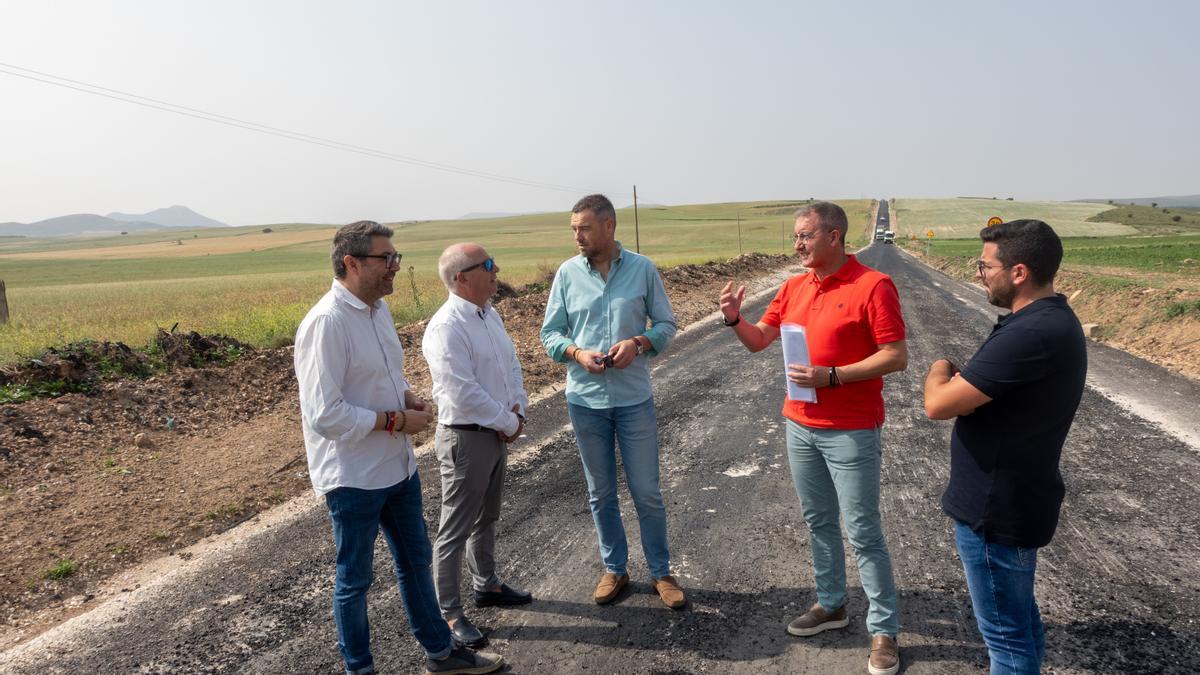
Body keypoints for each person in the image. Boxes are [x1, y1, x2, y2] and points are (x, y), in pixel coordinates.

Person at [294, 221, 503, 675]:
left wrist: (405, 395)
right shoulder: (326, 323)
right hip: (353, 477)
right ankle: (360, 668)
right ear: (351, 263)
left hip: (397, 467)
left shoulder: (377, 311)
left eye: (396, 258)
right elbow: (324, 415)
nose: (395, 267)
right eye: (385, 259)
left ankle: (441, 652)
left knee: (414, 562)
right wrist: (394, 420)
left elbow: (380, 376)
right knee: (355, 580)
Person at [719, 201, 906, 675]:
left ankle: (883, 630)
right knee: (818, 520)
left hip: (851, 429)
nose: (797, 244)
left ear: (835, 237)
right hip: (799, 424)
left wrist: (834, 377)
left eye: (805, 236)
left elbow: (895, 355)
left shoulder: (873, 286)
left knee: (863, 530)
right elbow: (761, 339)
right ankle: (831, 604)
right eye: (795, 237)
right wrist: (734, 319)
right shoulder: (794, 286)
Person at [923, 219, 1086, 675]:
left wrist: (939, 367)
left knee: (1006, 642)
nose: (979, 274)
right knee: (1019, 625)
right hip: (1013, 499)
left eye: (984, 265)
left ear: (1018, 272)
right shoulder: (1046, 321)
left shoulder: (1030, 333)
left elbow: (938, 404)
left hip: (995, 511)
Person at [539, 194, 686, 609]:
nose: (577, 236)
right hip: (585, 400)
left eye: (584, 228)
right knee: (600, 492)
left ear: (609, 226)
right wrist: (576, 354)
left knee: (646, 491)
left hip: (634, 398)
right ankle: (615, 569)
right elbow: (550, 334)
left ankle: (661, 572)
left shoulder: (642, 269)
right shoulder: (567, 274)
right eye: (573, 229)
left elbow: (667, 324)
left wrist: (639, 343)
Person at [423, 242, 533, 649]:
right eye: (487, 264)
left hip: (496, 432)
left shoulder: (490, 314)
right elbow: (462, 391)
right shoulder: (446, 327)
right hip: (467, 438)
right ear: (461, 278)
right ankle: (449, 614)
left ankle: (486, 585)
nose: (496, 269)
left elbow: (510, 365)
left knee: (486, 517)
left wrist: (518, 406)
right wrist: (507, 421)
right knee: (454, 528)